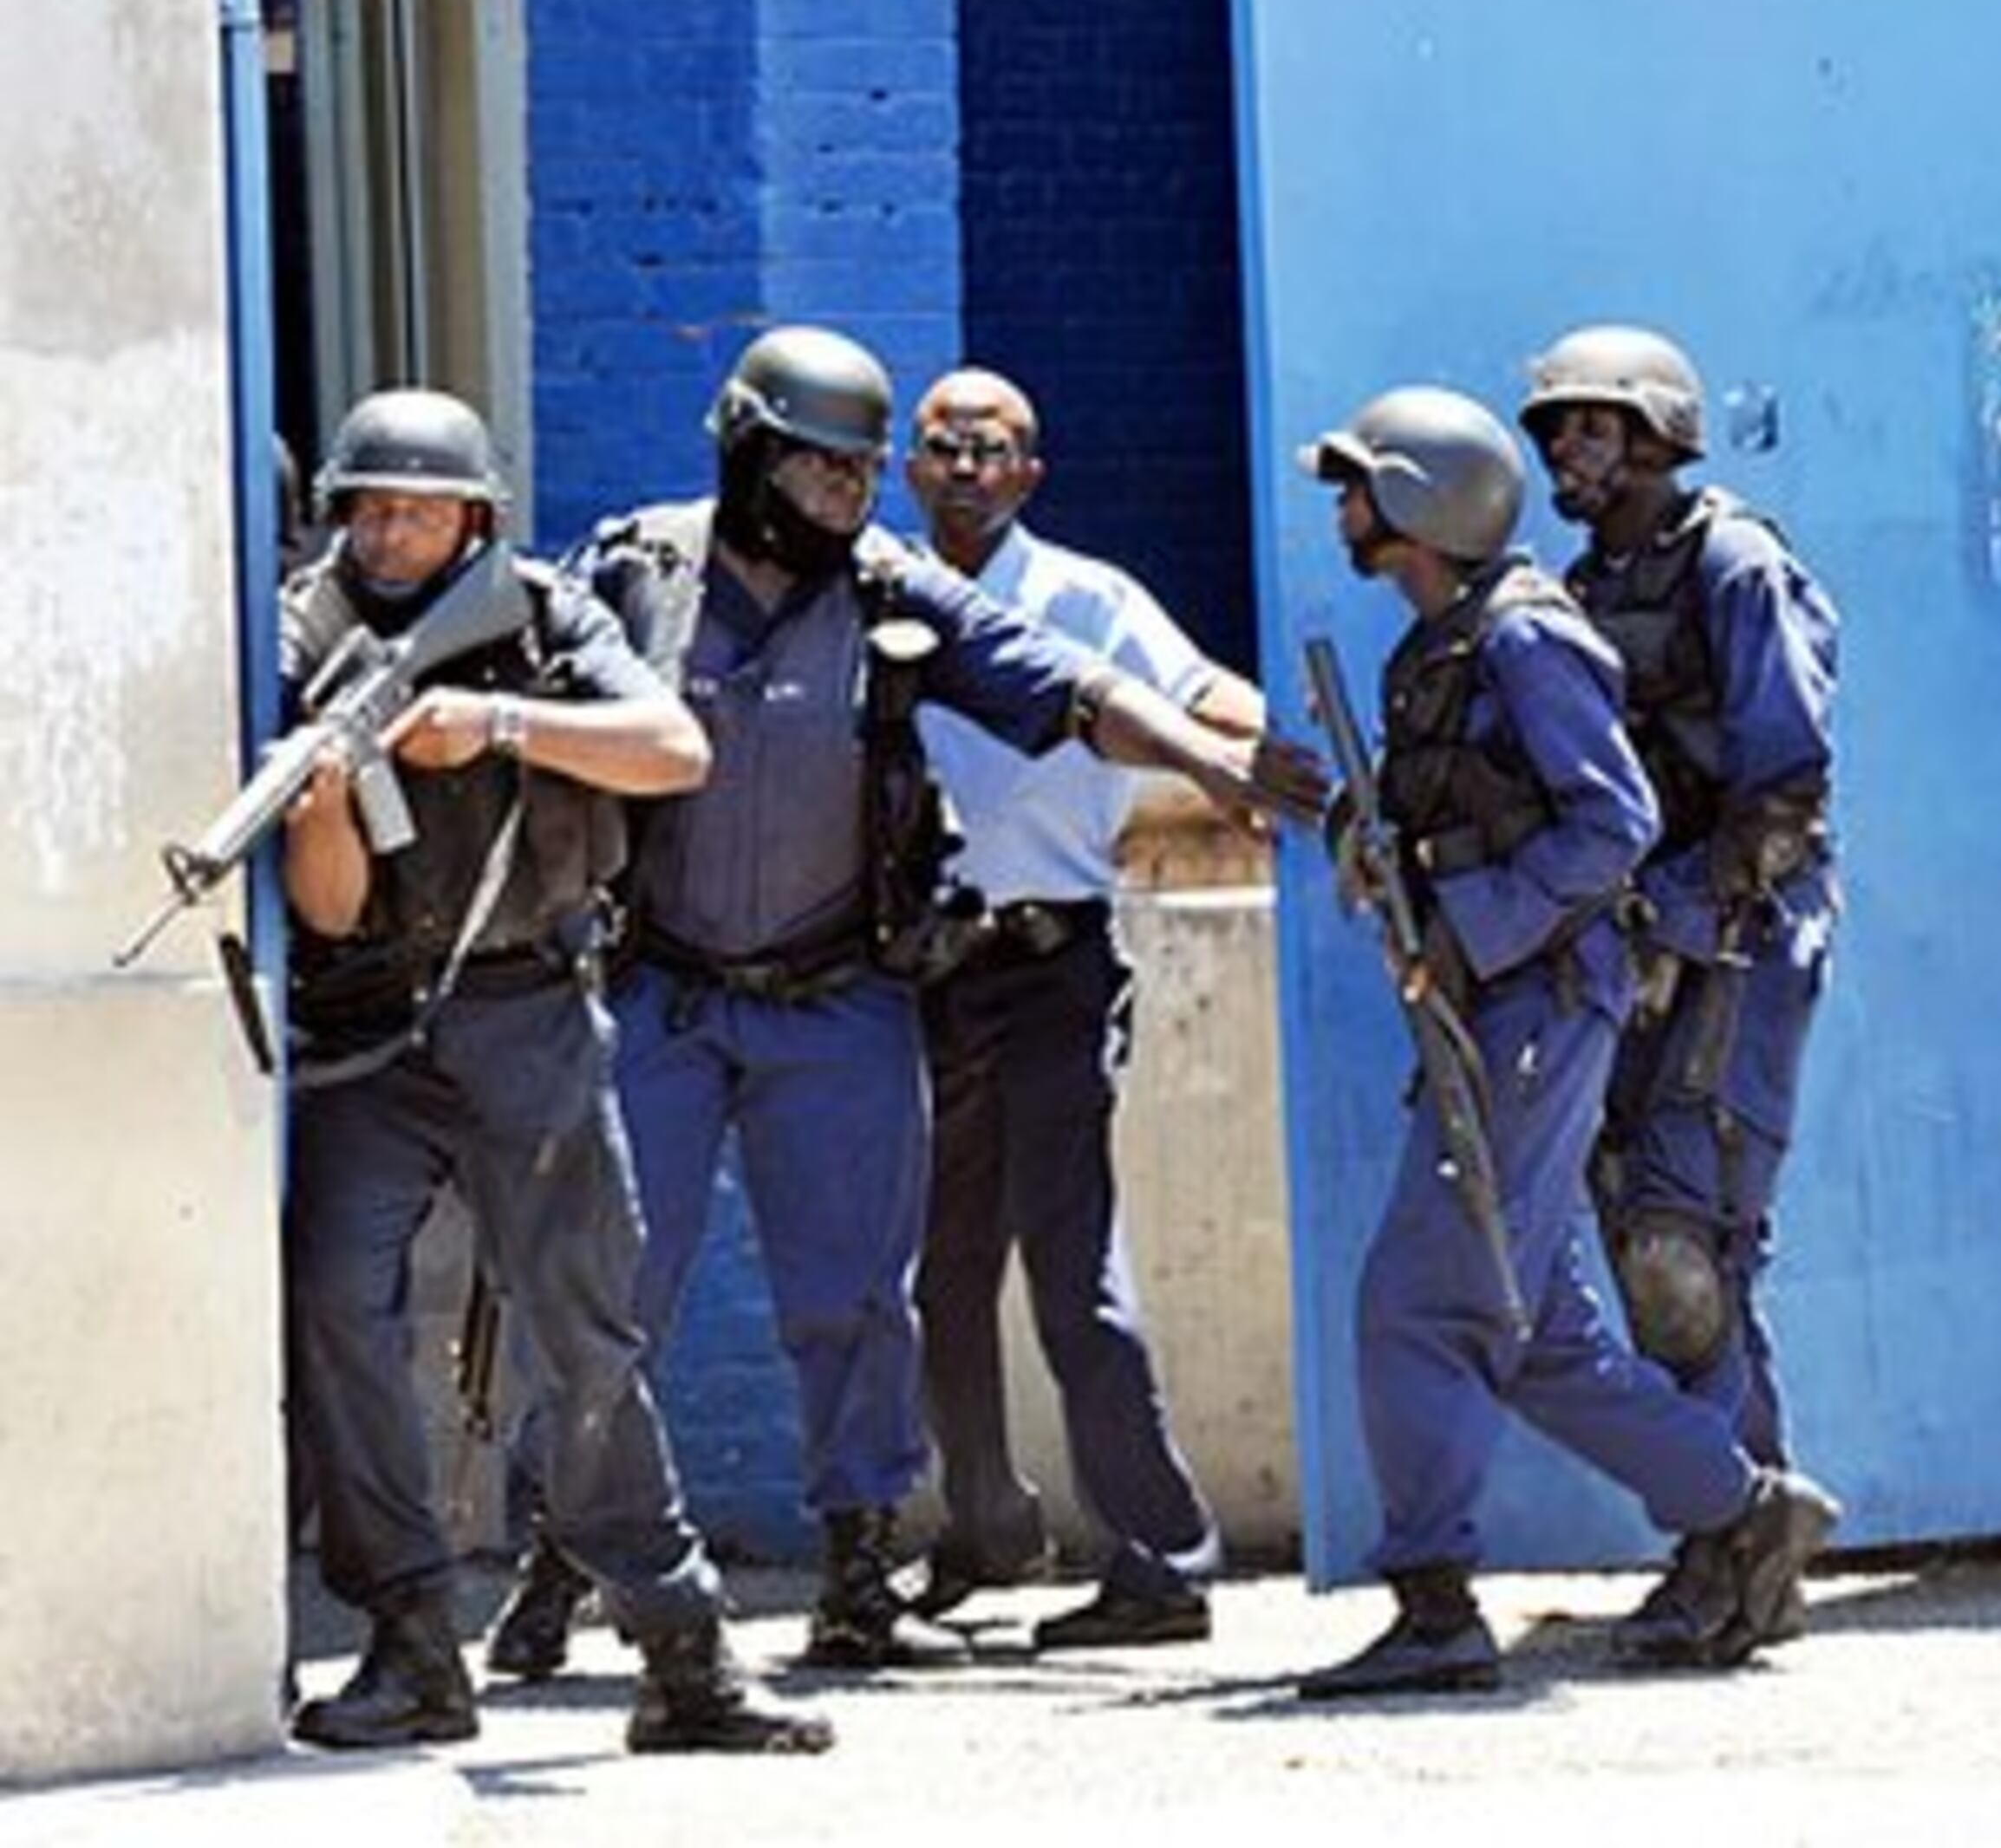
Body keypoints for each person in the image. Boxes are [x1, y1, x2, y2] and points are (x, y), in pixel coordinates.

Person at [481, 326, 1322, 1681]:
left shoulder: (888, 585)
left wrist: (1212, 765)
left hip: (840, 996)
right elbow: (521, 674)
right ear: (752, 453)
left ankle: (860, 1576)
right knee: (610, 1288)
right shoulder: (640, 573)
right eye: (824, 468)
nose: (849, 495)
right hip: (662, 991)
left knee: (858, 1297)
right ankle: (558, 1560)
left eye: (864, 472)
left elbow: (1069, 685)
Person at [277, 390, 826, 1756]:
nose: (385, 535)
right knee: (337, 1310)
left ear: (476, 521)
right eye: (367, 509)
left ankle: (682, 1655)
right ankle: (411, 1638)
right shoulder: (304, 630)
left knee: (584, 1337)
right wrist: (327, 797)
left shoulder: (539, 617)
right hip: (367, 1031)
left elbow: (676, 749)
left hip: (528, 1011)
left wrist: (499, 723)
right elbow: (328, 907)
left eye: (416, 512)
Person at [1296, 384, 1839, 1696]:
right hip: (1494, 1000)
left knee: (1423, 1299)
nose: (1344, 507)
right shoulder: (1442, 642)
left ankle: (1434, 1601)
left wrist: (1470, 924)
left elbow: (1614, 824)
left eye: (1361, 484)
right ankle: (1740, 1504)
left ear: (1420, 498)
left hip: (1543, 998)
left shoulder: (1529, 634)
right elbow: (1454, 814)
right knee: (1535, 1325)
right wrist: (1372, 852)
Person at [895, 367, 1250, 1644]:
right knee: (940, 1276)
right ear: (911, 468)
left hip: (1054, 967)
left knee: (1071, 1270)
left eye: (993, 449)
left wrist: (1264, 755)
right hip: (927, 970)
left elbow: (1202, 697)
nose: (967, 468)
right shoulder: (878, 596)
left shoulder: (1088, 599)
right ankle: (984, 1523)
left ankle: (1163, 1562)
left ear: (1031, 473)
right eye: (945, 447)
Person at [1512, 325, 1837, 1656]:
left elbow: (1786, 795)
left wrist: (1677, 917)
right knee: (1658, 1244)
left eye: (1592, 426)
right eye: (1555, 430)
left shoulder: (1735, 564)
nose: (1566, 451)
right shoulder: (1583, 586)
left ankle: (1732, 1547)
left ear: (1658, 436)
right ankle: (1745, 1528)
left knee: (1680, 1242)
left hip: (1737, 937)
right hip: (1626, 945)